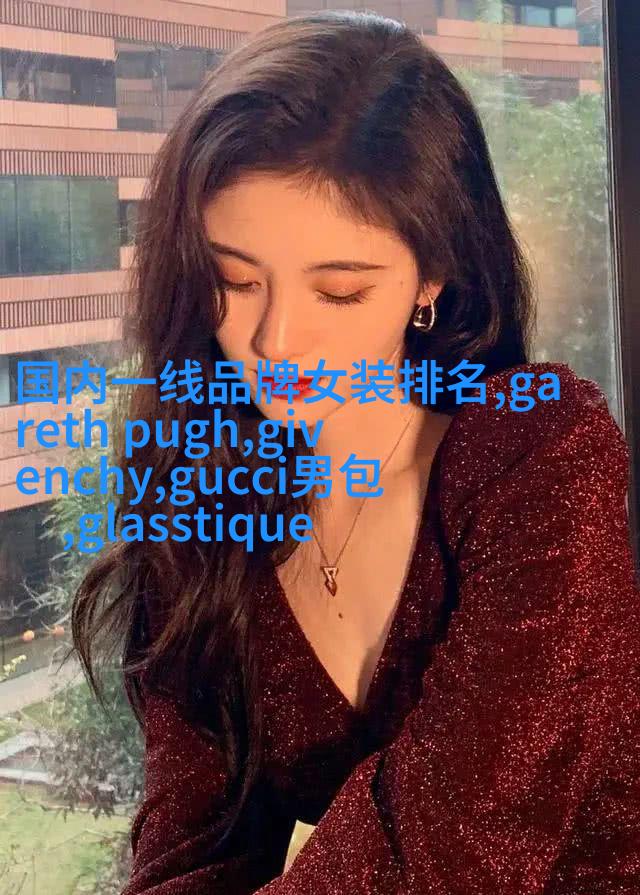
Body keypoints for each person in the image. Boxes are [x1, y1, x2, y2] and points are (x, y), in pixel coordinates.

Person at [70, 10, 640, 895]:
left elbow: (455, 853)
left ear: (431, 274)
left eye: (338, 290)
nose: (275, 341)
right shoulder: (201, 496)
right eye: (235, 279)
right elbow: (189, 852)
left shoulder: (539, 456)